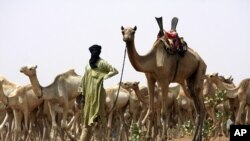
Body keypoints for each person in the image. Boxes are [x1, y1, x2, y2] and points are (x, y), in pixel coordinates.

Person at [78, 44, 118, 141]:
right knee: (86, 123)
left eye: (97, 51)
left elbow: (114, 71)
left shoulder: (102, 63)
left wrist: (103, 77)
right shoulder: (88, 66)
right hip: (88, 96)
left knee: (97, 121)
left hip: (98, 94)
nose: (95, 53)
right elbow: (84, 80)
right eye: (94, 51)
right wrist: (82, 94)